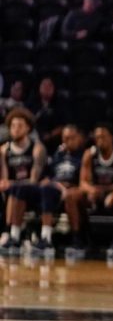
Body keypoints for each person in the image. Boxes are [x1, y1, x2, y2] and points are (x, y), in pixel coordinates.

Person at [28, 123, 85, 258]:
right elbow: (48, 174)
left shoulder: (84, 155)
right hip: (55, 189)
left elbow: (83, 180)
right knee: (40, 188)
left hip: (73, 189)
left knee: (62, 193)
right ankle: (36, 237)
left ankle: (72, 239)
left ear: (79, 138)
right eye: (64, 138)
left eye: (71, 138)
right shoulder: (58, 154)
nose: (67, 141)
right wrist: (48, 180)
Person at [77, 124, 113, 260]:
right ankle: (82, 240)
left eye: (103, 137)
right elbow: (83, 183)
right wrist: (92, 190)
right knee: (74, 196)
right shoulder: (90, 154)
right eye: (97, 137)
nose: (100, 140)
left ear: (111, 137)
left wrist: (108, 191)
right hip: (95, 192)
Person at [0, 108, 47, 255]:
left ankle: (9, 233)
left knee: (17, 189)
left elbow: (34, 179)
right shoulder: (4, 150)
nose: (15, 129)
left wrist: (11, 184)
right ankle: (10, 234)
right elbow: (5, 178)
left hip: (33, 191)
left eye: (20, 125)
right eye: (13, 126)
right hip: (11, 191)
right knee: (9, 189)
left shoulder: (37, 148)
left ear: (28, 128)